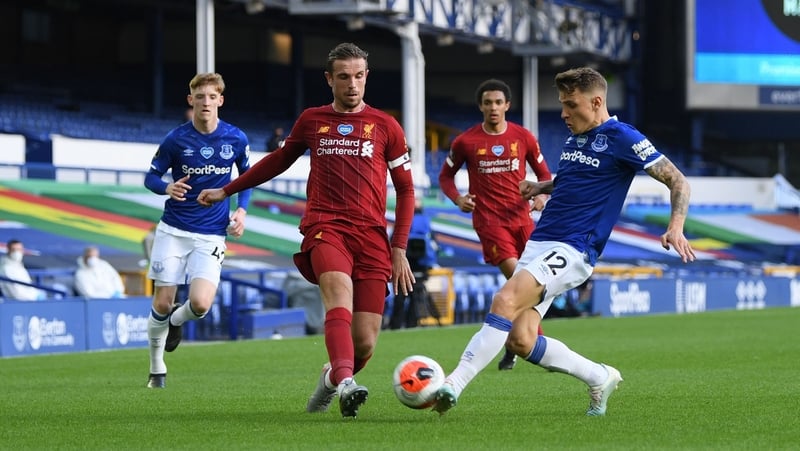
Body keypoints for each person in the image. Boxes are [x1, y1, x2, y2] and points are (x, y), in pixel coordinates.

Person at [432, 67, 696, 417]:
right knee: (521, 340)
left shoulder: (622, 137)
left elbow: (678, 180)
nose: (563, 114)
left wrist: (675, 226)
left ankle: (453, 384)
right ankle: (599, 376)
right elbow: (575, 179)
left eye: (571, 105)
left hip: (574, 248)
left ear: (597, 101)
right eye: (562, 104)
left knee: (505, 298)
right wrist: (540, 187)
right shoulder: (575, 138)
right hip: (540, 241)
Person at [197, 42, 416, 418]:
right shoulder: (313, 120)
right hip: (325, 226)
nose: (352, 84)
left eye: (359, 76)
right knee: (338, 296)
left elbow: (407, 189)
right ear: (329, 79)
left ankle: (332, 378)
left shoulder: (386, 126)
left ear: (367, 77)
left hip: (372, 236)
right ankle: (347, 384)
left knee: (364, 342)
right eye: (344, 77)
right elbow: (278, 161)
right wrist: (226, 189)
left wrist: (399, 247)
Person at [143, 72, 252, 389]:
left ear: (221, 100)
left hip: (212, 234)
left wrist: (242, 211)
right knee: (162, 302)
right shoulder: (176, 139)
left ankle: (177, 321)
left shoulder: (236, 139)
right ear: (191, 101)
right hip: (173, 231)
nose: (206, 102)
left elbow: (247, 180)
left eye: (211, 96)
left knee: (201, 305)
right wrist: (167, 187)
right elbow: (150, 178)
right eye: (199, 97)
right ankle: (156, 368)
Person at [438, 78, 552, 371]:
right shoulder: (466, 141)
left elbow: (543, 172)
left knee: (525, 285)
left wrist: (540, 196)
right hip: (489, 222)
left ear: (507, 106)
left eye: (498, 102)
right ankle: (536, 344)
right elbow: (445, 177)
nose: (493, 107)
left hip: (522, 219)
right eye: (488, 102)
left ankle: (513, 343)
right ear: (481, 106)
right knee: (520, 279)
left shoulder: (523, 137)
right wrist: (457, 199)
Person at [389, 198, 439, 329]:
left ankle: (396, 326)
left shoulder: (402, 223)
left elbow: (392, 241)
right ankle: (410, 325)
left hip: (406, 266)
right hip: (418, 267)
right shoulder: (426, 223)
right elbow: (435, 245)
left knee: (400, 298)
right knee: (411, 299)